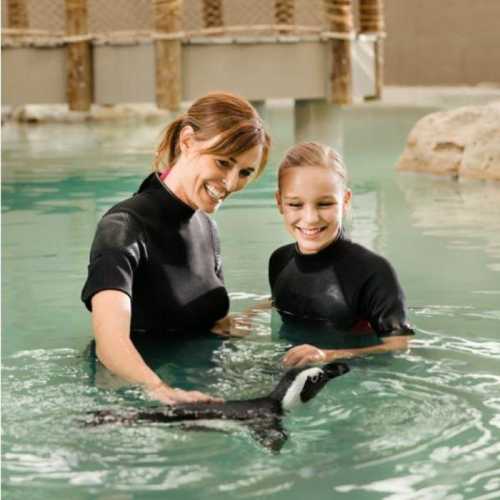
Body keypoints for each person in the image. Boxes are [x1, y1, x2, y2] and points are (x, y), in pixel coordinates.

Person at [81, 92, 271, 404]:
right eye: (223, 162)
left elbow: (195, 320)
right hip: (132, 404)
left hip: (199, 385)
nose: (231, 182)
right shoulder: (122, 227)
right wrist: (160, 391)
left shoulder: (207, 227)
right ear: (187, 141)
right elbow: (110, 343)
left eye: (245, 172)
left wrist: (254, 314)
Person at [269, 142, 414, 367]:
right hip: (289, 367)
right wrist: (247, 315)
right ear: (279, 203)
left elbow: (399, 346)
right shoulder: (279, 261)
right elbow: (291, 298)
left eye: (325, 204)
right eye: (295, 204)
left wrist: (329, 356)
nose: (310, 218)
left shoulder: (372, 271)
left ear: (345, 201)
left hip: (352, 376)